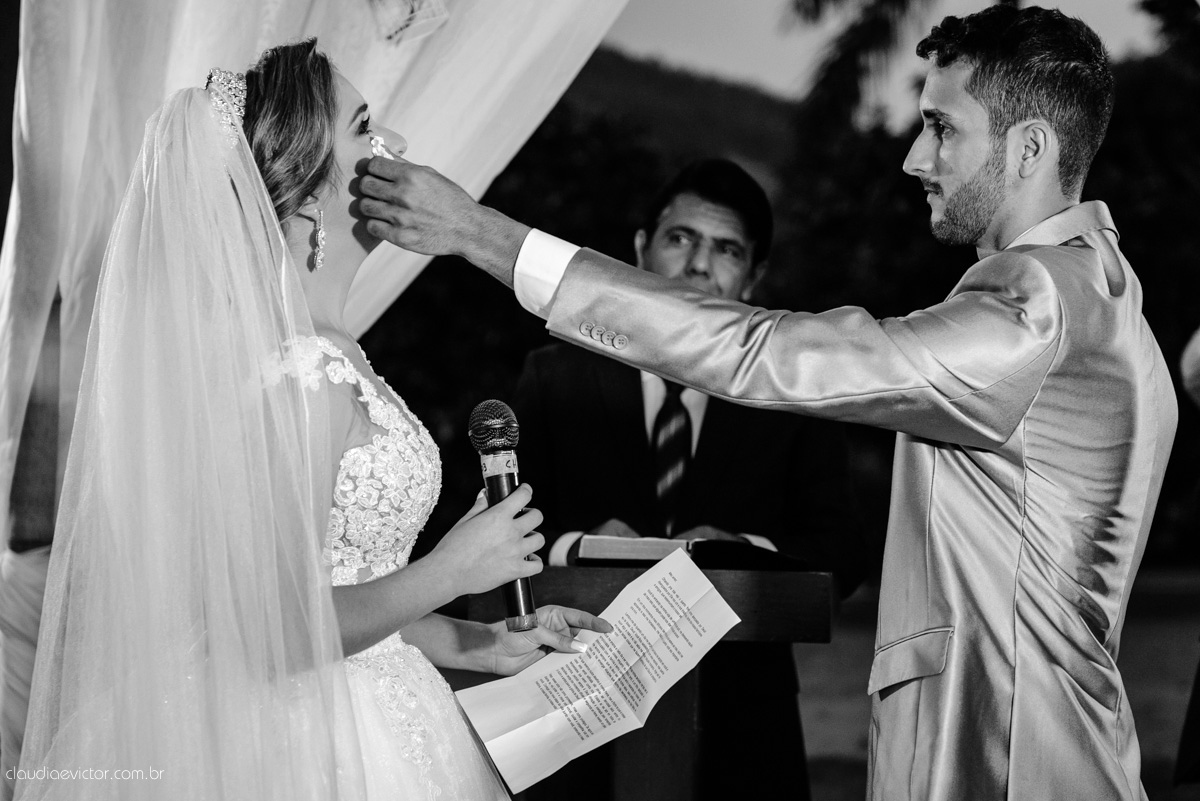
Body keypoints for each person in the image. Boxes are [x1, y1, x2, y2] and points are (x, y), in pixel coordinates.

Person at [359, 6, 1178, 800]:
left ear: (1029, 146)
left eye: (942, 127)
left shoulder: (1037, 300)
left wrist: (484, 234)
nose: (915, 159)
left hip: (1009, 754)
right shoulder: (1108, 297)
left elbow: (770, 354)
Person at [15, 40, 609, 801]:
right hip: (299, 747)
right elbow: (276, 632)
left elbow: (334, 589)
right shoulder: (302, 375)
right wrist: (452, 571)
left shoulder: (334, 356)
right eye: (364, 128)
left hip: (370, 700)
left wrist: (481, 640)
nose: (394, 148)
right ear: (306, 199)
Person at [511, 158, 864, 800]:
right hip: (574, 711)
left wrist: (735, 552)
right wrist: (578, 547)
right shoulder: (553, 376)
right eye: (681, 239)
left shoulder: (796, 394)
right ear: (641, 250)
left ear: (753, 278)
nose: (699, 266)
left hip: (744, 726)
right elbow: (495, 531)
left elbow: (842, 554)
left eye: (726, 250)